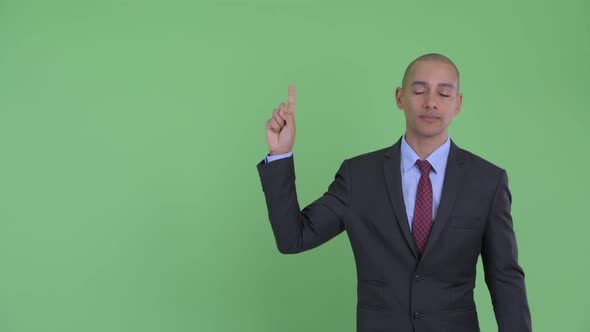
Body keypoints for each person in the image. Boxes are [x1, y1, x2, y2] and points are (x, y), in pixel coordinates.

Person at [256, 53, 531, 332]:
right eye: (420, 90)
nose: (431, 102)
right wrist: (280, 155)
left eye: (444, 93)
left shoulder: (487, 181)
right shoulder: (358, 176)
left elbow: (504, 279)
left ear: (458, 103)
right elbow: (293, 238)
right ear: (400, 97)